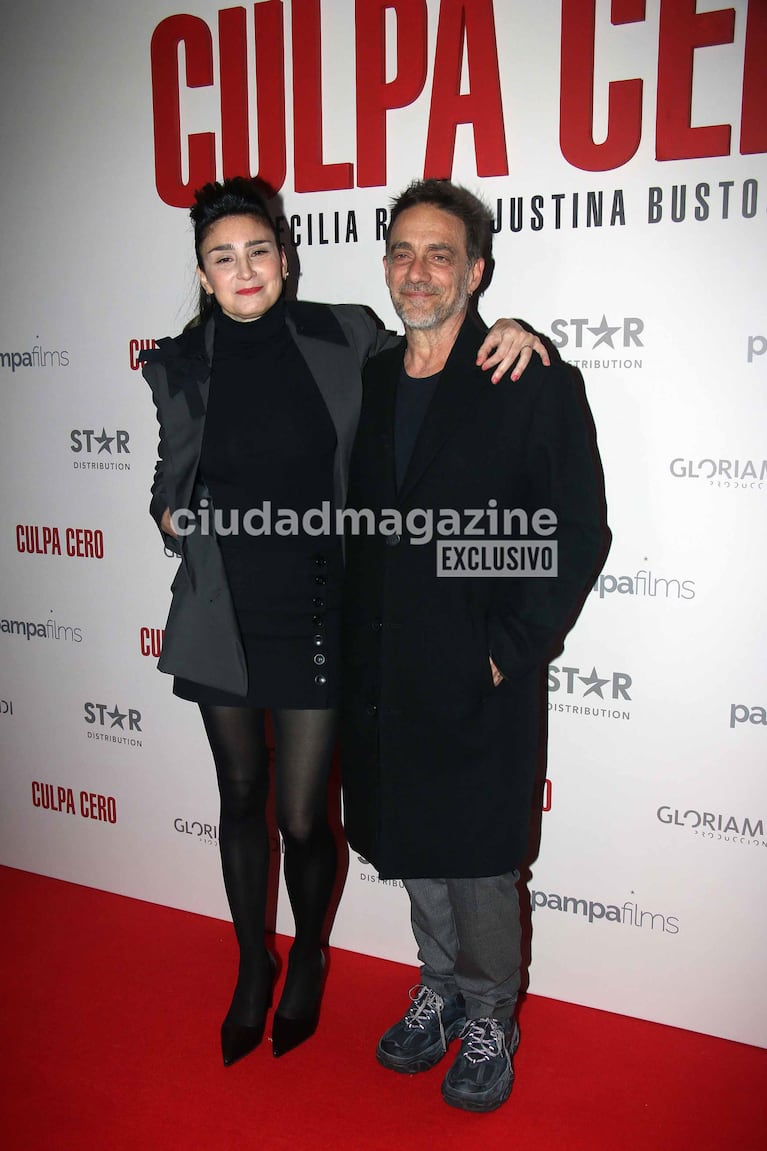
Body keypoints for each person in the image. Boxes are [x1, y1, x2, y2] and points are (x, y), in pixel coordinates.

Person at [141, 176, 548, 1068]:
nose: (242, 269)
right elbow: (168, 485)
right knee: (238, 798)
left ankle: (313, 953)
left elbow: (437, 348)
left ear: (285, 260)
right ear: (204, 275)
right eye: (222, 257)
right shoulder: (172, 364)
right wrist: (171, 515)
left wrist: (516, 329)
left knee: (300, 816)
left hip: (324, 612)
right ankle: (254, 964)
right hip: (224, 617)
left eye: (258, 251)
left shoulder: (344, 335)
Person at [340, 179, 610, 1111]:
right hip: (384, 666)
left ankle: (491, 1008)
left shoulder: (525, 376)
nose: (418, 272)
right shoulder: (371, 373)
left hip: (478, 667)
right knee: (413, 840)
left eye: (440, 254)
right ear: (385, 268)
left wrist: (503, 646)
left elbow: (574, 531)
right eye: (403, 254)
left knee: (482, 857)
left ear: (476, 270)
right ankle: (440, 985)